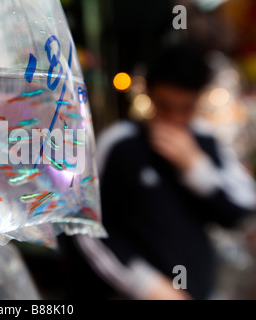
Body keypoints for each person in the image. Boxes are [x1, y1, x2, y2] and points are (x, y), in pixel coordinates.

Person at [72, 42, 256, 300]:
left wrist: (195, 167)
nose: (175, 119)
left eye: (186, 108)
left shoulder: (205, 141)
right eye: (165, 106)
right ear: (149, 95)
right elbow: (87, 224)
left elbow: (239, 210)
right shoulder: (121, 144)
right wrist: (145, 284)